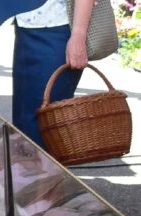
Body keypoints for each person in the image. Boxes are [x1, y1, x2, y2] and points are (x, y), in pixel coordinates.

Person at [12, 0, 95, 149]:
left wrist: (78, 36)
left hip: (59, 29)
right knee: (23, 118)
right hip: (26, 27)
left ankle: (43, 170)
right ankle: (27, 169)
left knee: (46, 120)